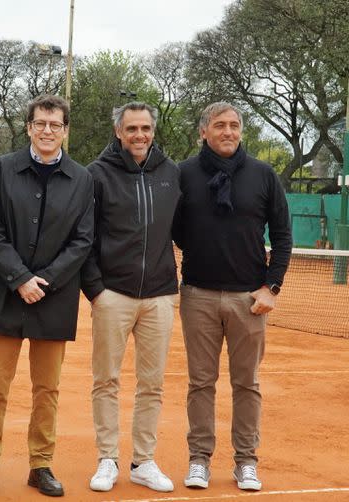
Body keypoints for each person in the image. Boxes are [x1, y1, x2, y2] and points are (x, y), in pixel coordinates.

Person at [0, 95, 95, 498]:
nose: (47, 131)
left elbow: (83, 241)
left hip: (55, 299)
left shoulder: (82, 179)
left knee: (48, 390)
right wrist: (20, 278)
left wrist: (46, 281)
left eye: (55, 125)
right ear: (28, 127)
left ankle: (40, 465)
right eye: (40, 123)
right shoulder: (2, 170)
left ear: (65, 130)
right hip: (6, 293)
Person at [173, 102, 292, 492]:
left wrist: (271, 286)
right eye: (219, 125)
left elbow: (283, 235)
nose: (228, 131)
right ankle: (199, 460)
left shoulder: (263, 175)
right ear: (204, 131)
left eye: (234, 125)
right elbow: (175, 230)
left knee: (247, 384)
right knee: (201, 383)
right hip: (197, 296)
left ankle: (246, 462)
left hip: (250, 299)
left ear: (241, 131)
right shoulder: (184, 174)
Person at [81, 102, 181, 493]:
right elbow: (84, 237)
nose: (139, 135)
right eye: (131, 129)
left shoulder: (171, 174)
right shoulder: (96, 175)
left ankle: (143, 462)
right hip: (112, 296)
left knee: (152, 384)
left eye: (145, 128)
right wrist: (96, 291)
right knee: (106, 380)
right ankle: (107, 459)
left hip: (159, 297)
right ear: (119, 132)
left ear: (153, 131)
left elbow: (185, 230)